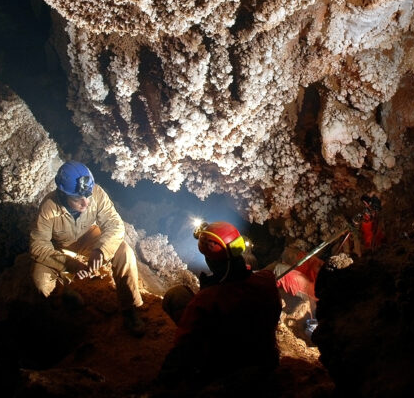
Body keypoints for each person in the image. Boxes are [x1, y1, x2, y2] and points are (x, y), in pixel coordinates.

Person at [159, 221, 282, 390]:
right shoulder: (267, 280)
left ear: (210, 259)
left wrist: (166, 377)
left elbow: (183, 345)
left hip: (224, 370)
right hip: (265, 357)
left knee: (177, 295)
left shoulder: (206, 301)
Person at [29, 160, 145, 336]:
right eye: (77, 198)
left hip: (88, 236)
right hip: (60, 246)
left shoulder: (97, 193)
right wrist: (70, 264)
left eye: (88, 195)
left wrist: (100, 250)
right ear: (63, 194)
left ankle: (129, 308)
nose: (85, 203)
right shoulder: (49, 206)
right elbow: (38, 245)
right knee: (40, 280)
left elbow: (114, 225)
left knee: (125, 252)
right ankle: (64, 304)